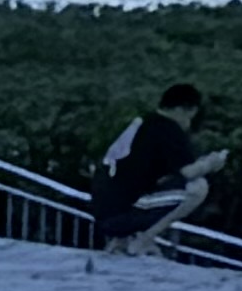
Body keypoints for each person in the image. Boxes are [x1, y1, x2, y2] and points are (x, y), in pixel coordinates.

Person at [85, 83, 222, 249]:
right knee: (198, 187)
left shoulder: (143, 123)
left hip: (102, 210)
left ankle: (123, 239)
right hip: (122, 214)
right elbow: (189, 173)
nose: (189, 124)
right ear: (183, 110)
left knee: (150, 188)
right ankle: (144, 240)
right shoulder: (168, 130)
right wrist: (211, 163)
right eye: (190, 116)